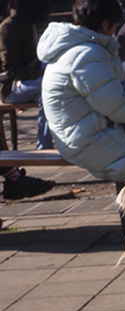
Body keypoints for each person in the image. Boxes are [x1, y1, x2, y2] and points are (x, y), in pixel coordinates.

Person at [36, 0, 125, 182]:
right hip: (88, 140)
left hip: (94, 130)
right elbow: (118, 107)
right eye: (115, 25)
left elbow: (121, 85)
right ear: (106, 24)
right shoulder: (86, 55)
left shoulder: (85, 49)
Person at [0, 0, 55, 200]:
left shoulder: (30, 24)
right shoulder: (8, 27)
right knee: (50, 84)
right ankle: (43, 146)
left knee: (50, 88)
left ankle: (45, 144)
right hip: (14, 85)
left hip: (31, 81)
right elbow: (10, 67)